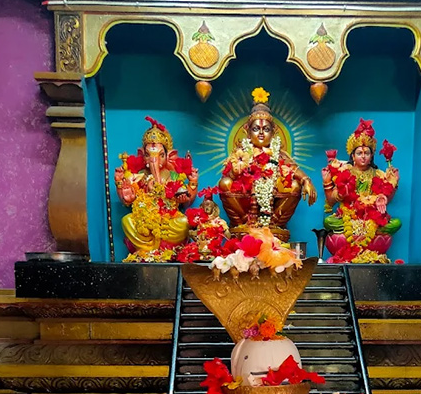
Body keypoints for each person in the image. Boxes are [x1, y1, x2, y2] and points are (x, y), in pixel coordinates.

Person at [219, 87, 316, 237]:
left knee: (295, 185)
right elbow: (227, 177)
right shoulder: (240, 152)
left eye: (266, 129)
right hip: (246, 206)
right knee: (224, 184)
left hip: (272, 203)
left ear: (274, 132)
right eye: (256, 129)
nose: (261, 133)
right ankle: (246, 223)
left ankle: (274, 224)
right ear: (247, 131)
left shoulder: (278, 153)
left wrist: (306, 180)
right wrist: (237, 172)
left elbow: (293, 169)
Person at [114, 117, 198, 261]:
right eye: (148, 155)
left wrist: (192, 184)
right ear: (143, 156)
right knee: (127, 220)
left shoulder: (173, 175)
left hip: (169, 219)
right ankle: (147, 251)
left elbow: (186, 200)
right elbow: (128, 200)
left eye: (160, 155)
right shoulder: (140, 176)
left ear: (169, 156)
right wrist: (120, 183)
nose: (154, 160)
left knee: (184, 223)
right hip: (144, 221)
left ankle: (165, 251)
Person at [321, 118, 401, 263]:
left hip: (371, 216)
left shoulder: (379, 174)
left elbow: (385, 200)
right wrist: (328, 183)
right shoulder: (344, 171)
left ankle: (366, 249)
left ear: (371, 156)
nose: (363, 156)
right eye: (359, 153)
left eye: (366, 153)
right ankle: (357, 250)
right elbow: (331, 200)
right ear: (352, 156)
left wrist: (393, 184)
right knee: (328, 222)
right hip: (348, 215)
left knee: (396, 223)